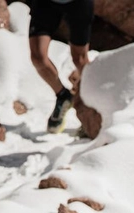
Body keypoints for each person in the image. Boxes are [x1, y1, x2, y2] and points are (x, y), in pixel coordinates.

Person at [27, 0, 94, 133]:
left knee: (80, 60)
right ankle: (63, 96)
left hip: (77, 4)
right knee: (38, 57)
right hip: (46, 4)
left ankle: (91, 112)